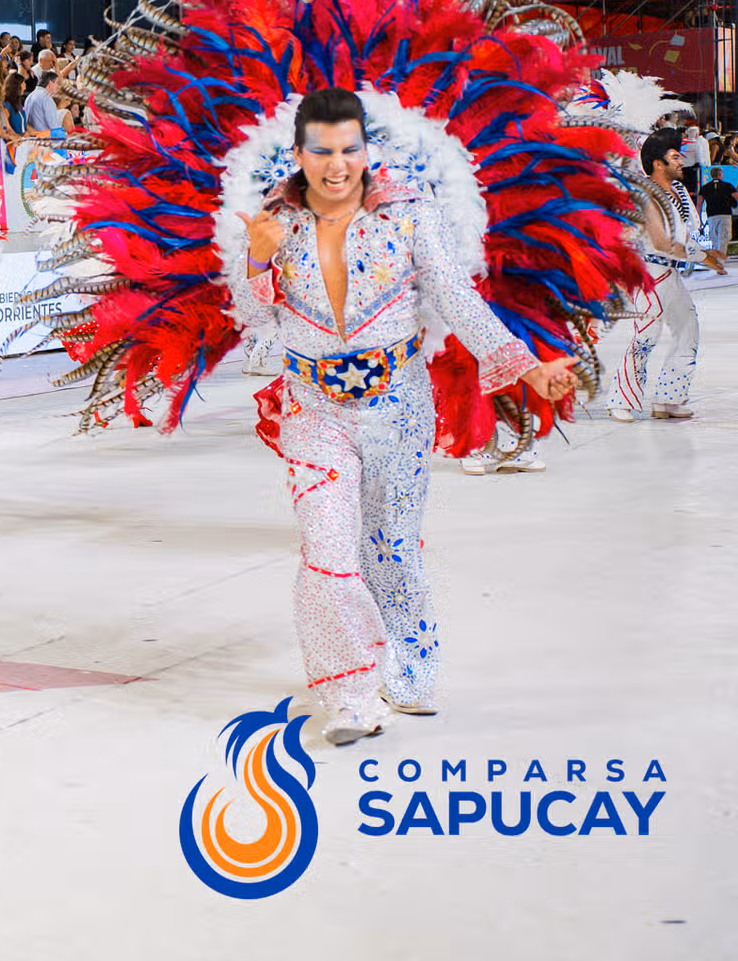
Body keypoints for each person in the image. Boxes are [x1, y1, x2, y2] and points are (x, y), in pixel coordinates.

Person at [231, 89, 577, 745]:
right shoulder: (275, 219)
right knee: (328, 550)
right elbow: (256, 323)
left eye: (349, 149)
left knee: (390, 549)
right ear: (299, 152)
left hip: (398, 404)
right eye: (322, 151)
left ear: (367, 147)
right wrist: (256, 261)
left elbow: (456, 296)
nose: (337, 165)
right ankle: (352, 693)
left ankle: (409, 670)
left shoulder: (410, 214)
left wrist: (527, 365)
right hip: (313, 409)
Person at [608, 126, 726, 422]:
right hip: (650, 272)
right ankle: (620, 400)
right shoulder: (644, 193)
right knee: (645, 338)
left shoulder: (681, 194)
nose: (682, 160)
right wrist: (704, 258)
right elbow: (661, 242)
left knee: (688, 331)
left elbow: (686, 233)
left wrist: (706, 254)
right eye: (675, 156)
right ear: (658, 163)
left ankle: (668, 400)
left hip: (672, 275)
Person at [700, 162, 734, 253]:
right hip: (725, 215)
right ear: (720, 174)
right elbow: (736, 197)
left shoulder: (704, 188)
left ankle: (716, 260)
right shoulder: (728, 186)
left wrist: (699, 218)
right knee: (724, 239)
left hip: (711, 216)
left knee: (714, 240)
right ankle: (722, 260)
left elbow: (699, 204)